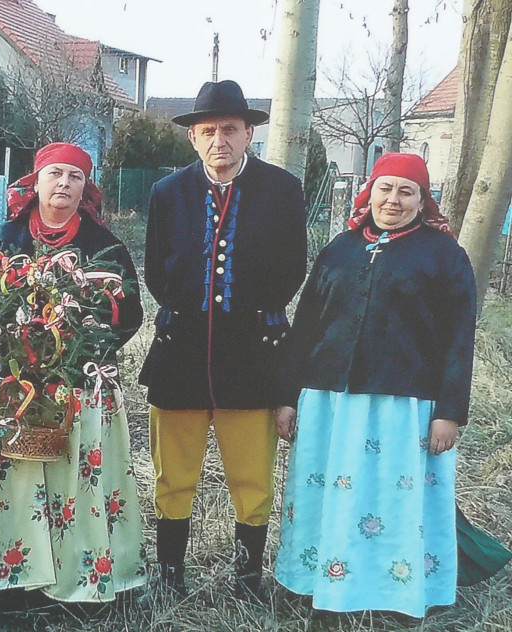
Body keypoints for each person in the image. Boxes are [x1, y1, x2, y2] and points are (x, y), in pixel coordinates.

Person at [274, 153, 476, 618]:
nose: (394, 200)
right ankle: (319, 583)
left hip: (403, 406)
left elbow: (459, 337)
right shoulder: (340, 249)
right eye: (386, 188)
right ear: (370, 192)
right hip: (328, 401)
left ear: (423, 201)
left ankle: (394, 592)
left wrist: (449, 412)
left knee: (389, 498)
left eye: (407, 192)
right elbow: (305, 327)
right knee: (327, 494)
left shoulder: (444, 255)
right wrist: (287, 397)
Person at [0, 142, 146, 603]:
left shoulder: (104, 246)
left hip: (79, 385)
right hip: (10, 385)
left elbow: (130, 313)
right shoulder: (5, 239)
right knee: (10, 478)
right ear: (35, 181)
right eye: (55, 174)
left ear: (86, 187)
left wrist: (83, 347)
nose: (63, 184)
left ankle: (79, 578)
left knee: (74, 479)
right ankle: (11, 579)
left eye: (75, 176)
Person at [139, 80, 307, 598]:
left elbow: (293, 268)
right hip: (180, 354)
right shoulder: (167, 192)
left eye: (230, 129)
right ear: (193, 137)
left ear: (249, 133)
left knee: (252, 477)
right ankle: (171, 578)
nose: (220, 141)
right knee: (172, 476)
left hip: (253, 355)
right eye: (208, 131)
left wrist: (253, 310)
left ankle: (248, 579)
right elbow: (156, 270)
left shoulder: (282, 190)